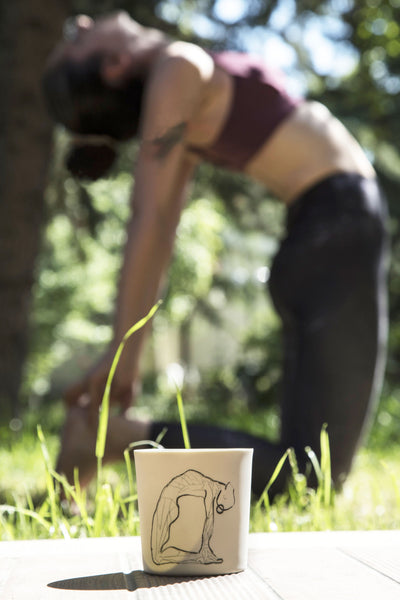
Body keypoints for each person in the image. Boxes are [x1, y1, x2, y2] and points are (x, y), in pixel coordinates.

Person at [43, 11, 389, 498]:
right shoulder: (179, 66)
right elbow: (152, 220)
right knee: (313, 477)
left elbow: (159, 227)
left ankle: (109, 439)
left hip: (326, 238)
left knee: (310, 468)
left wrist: (126, 356)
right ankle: (112, 439)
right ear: (115, 64)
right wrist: (123, 352)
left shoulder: (177, 90)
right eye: (72, 38)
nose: (79, 20)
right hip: (337, 233)